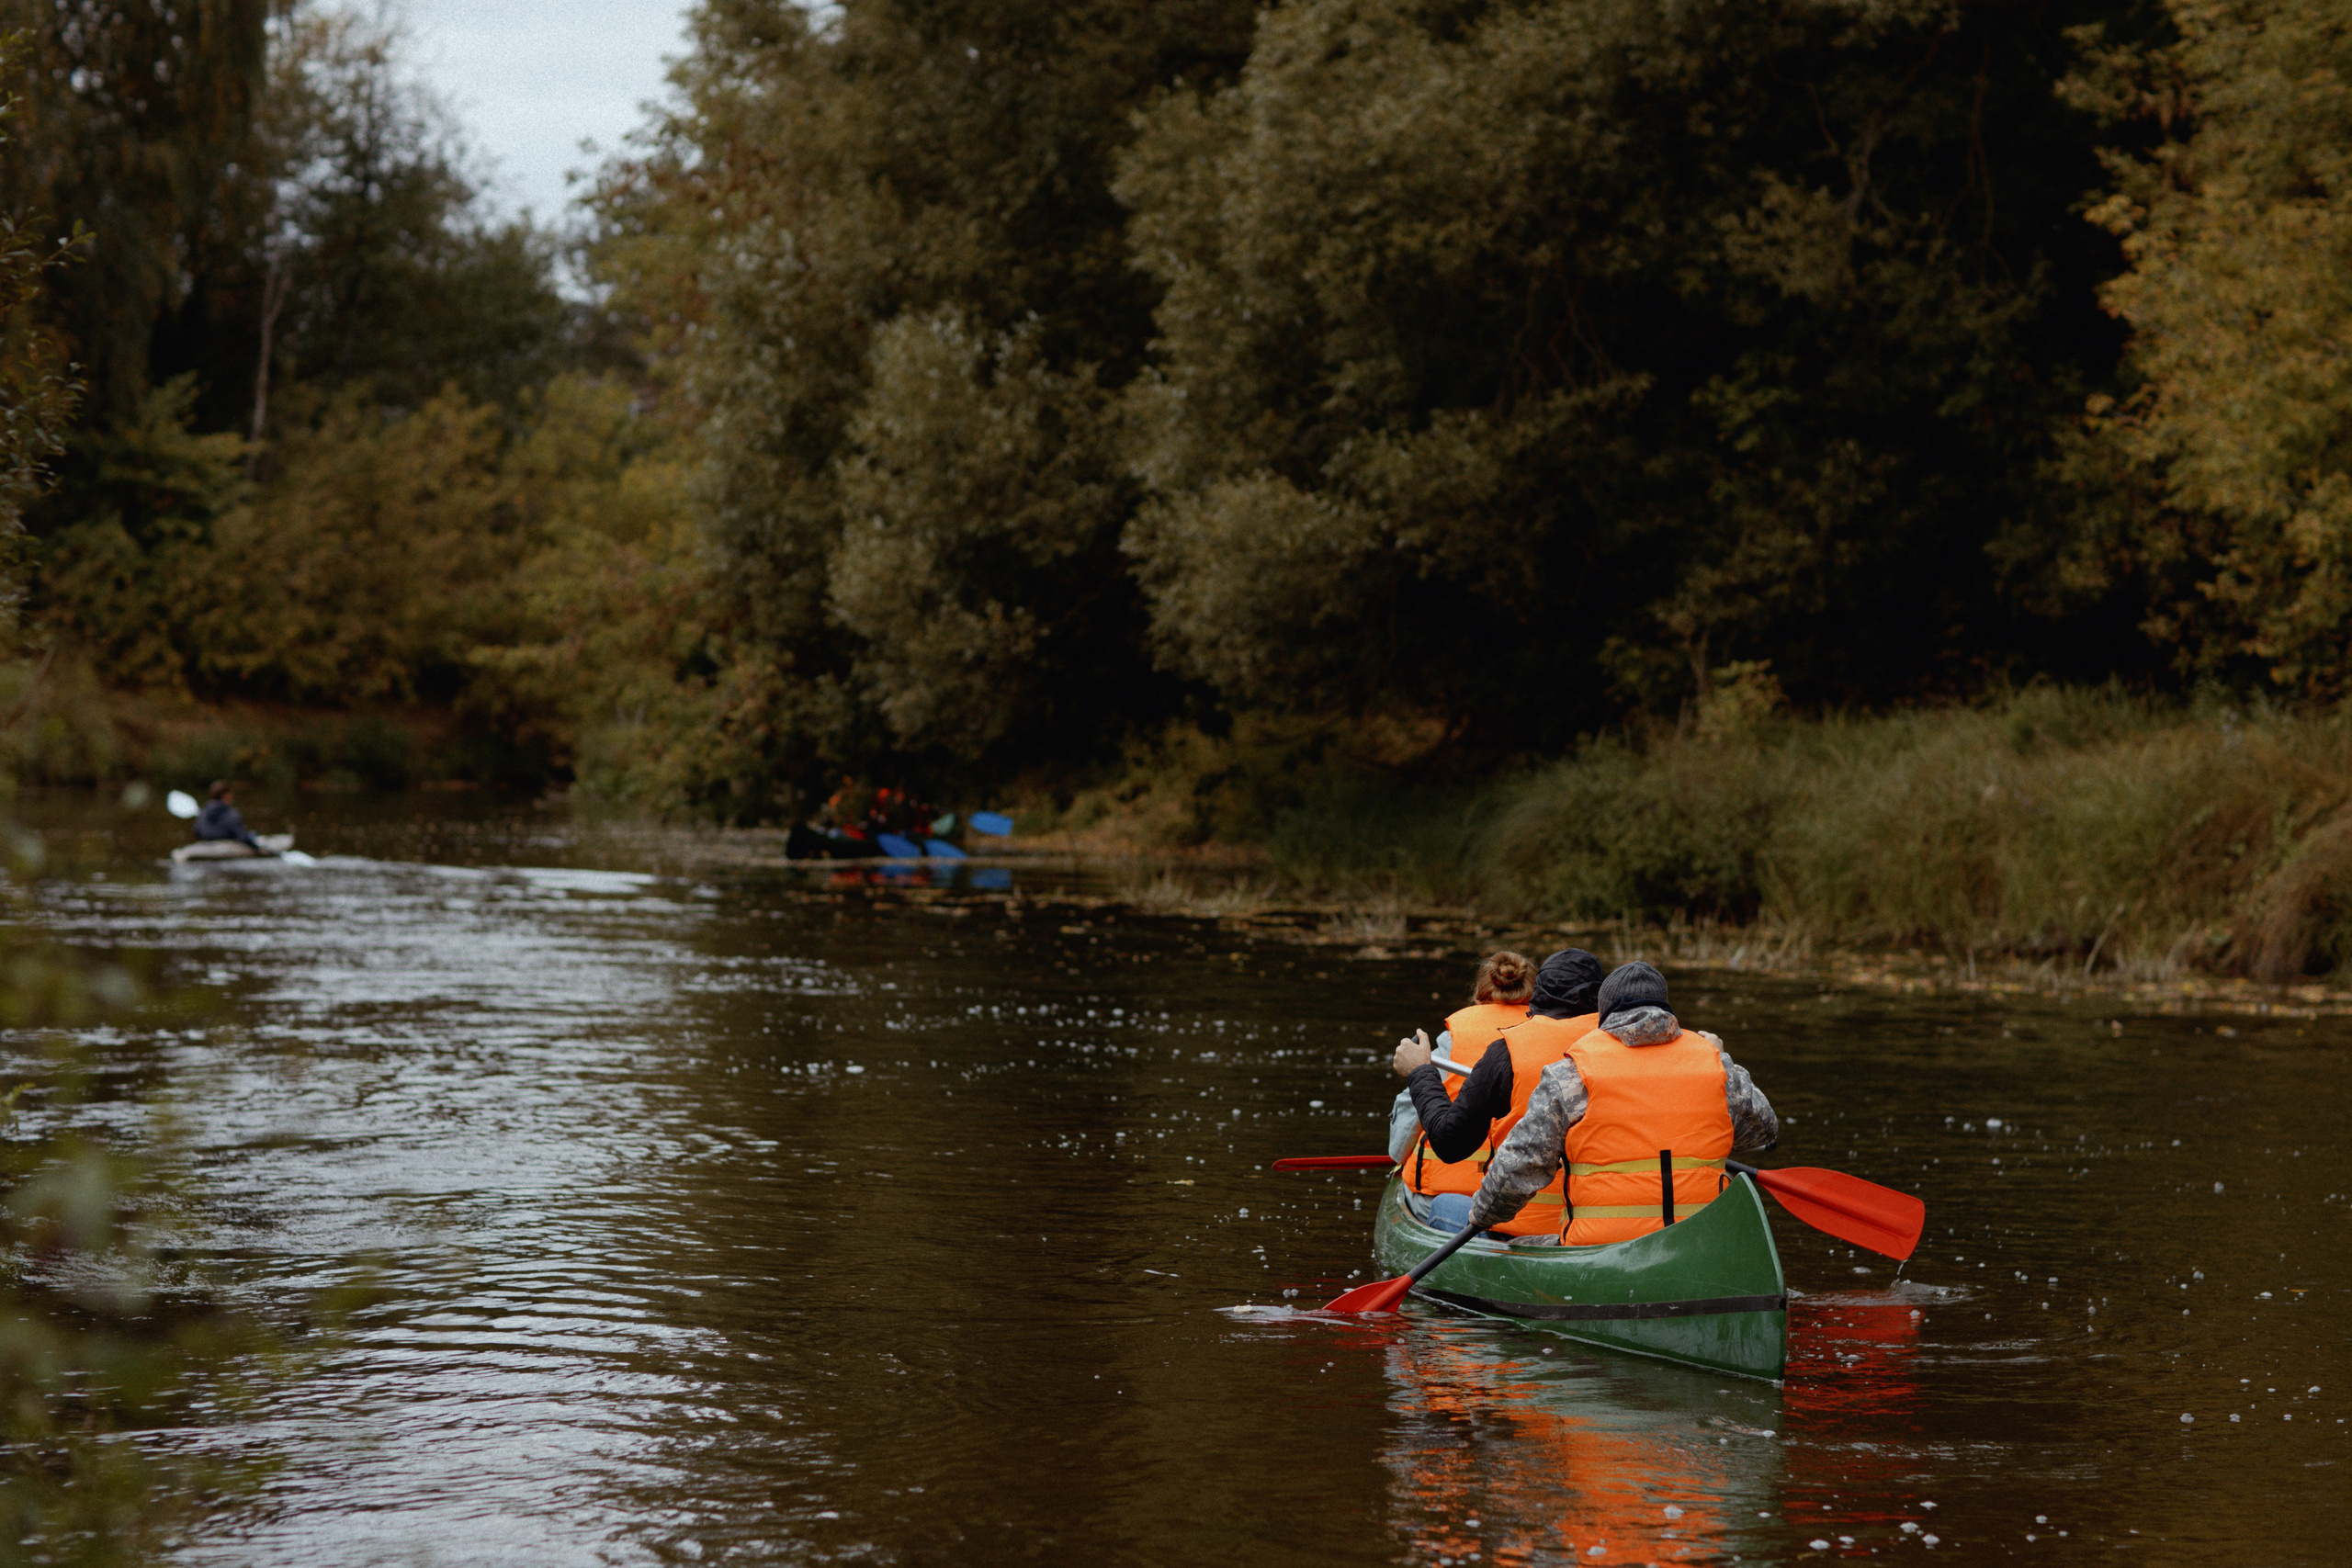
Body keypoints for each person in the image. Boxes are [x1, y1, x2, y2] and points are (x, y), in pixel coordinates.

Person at [1462, 960, 1778, 1246]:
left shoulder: (1571, 1074)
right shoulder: (1715, 1066)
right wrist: (1722, 1059)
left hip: (1601, 1251)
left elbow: (1520, 1165)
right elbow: (1763, 1132)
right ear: (1666, 1008)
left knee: (1489, 1233)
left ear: (1604, 1012)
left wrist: (1483, 1215)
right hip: (1700, 1244)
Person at [1389, 947, 1607, 1237]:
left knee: (1438, 1200)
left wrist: (1419, 1073)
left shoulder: (1483, 1044)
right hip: (1579, 1222)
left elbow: (1406, 1145)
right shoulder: (1605, 1048)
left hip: (1499, 1220)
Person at [193, 780, 262, 849]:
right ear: (225, 794)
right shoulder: (231, 814)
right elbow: (243, 837)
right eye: (231, 793)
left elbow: (196, 831)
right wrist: (257, 847)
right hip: (227, 845)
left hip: (206, 844)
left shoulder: (203, 812)